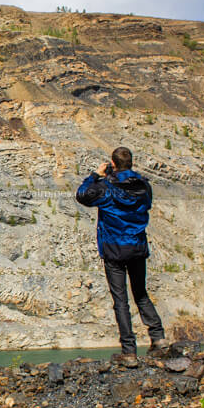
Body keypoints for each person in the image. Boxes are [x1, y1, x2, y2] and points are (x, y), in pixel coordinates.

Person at [75, 146, 167, 365]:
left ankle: (129, 351)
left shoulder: (105, 187)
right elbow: (147, 205)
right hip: (136, 246)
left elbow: (82, 196)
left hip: (114, 249)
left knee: (121, 300)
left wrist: (95, 176)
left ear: (112, 163)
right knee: (140, 293)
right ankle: (158, 338)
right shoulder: (144, 185)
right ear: (131, 162)